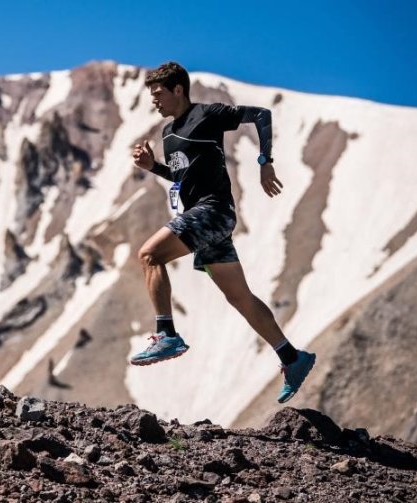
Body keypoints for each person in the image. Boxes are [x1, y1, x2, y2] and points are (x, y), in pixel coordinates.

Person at [129, 61, 315, 403]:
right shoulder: (169, 134)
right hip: (207, 218)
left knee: (149, 255)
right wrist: (153, 166)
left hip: (214, 212)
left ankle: (166, 333)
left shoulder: (208, 114)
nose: (154, 100)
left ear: (178, 90)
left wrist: (265, 162)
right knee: (239, 297)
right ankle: (293, 357)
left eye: (158, 93)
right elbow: (182, 177)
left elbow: (260, 115)